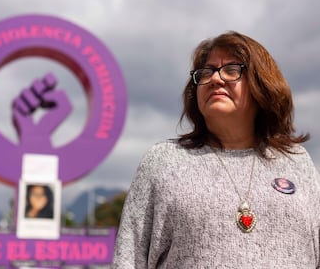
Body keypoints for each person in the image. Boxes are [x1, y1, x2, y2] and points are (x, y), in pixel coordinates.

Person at [112, 31, 320, 268]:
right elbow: (129, 259)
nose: (215, 79)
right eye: (206, 72)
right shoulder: (163, 161)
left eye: (231, 70)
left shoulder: (297, 162)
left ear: (262, 85)